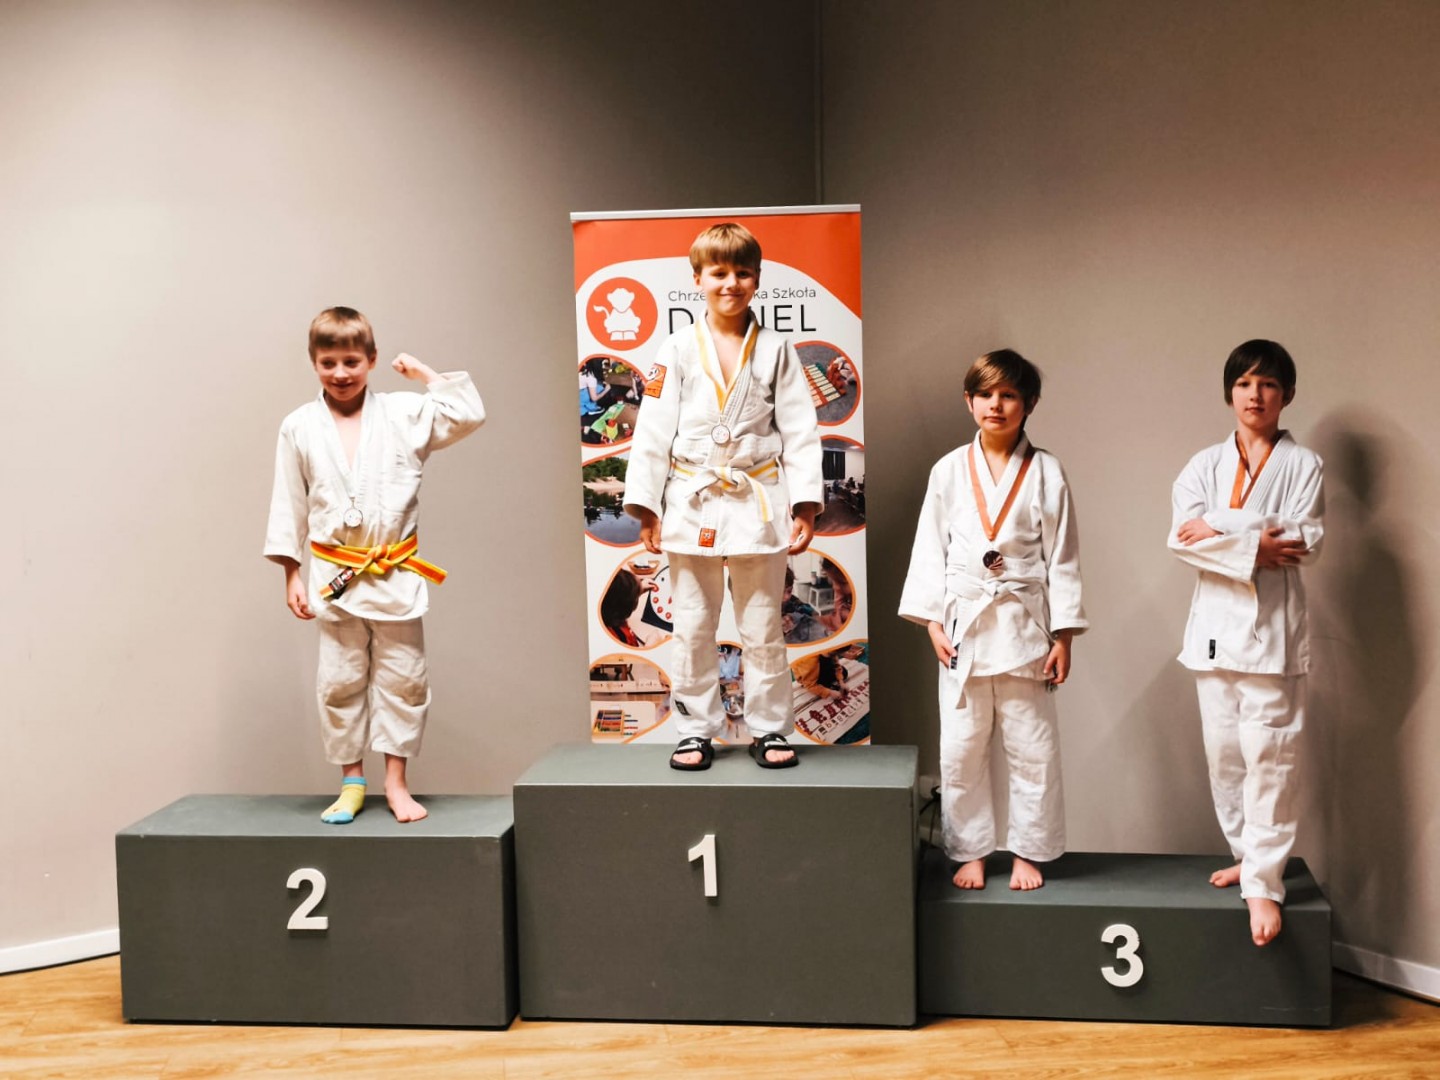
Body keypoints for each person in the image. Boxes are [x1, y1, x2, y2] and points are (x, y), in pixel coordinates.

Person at [264, 306, 484, 824]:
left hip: (395, 572)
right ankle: (352, 782)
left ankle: (396, 783)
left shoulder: (404, 414)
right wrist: (291, 572)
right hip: (334, 576)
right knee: (339, 681)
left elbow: (467, 414)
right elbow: (288, 501)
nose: (340, 373)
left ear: (372, 359)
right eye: (328, 363)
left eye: (351, 362)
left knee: (404, 679)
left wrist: (424, 374)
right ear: (313, 363)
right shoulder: (299, 426)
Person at [624, 222, 823, 770]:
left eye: (742, 272)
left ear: (757, 278)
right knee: (692, 624)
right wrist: (646, 507)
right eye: (719, 273)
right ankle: (695, 729)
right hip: (693, 498)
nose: (731, 283)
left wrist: (805, 504)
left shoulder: (777, 349)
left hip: (757, 497)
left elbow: (801, 430)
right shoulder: (677, 347)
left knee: (762, 625)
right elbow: (653, 431)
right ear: (698, 279)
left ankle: (769, 728)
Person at [899, 349, 1086, 891]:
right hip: (964, 627)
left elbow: (1063, 557)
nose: (996, 405)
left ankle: (1029, 851)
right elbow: (929, 549)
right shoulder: (948, 470)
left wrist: (1064, 636)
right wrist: (933, 624)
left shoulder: (1047, 471)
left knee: (1033, 749)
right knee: (961, 749)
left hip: (1026, 628)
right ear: (969, 401)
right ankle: (971, 850)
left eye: (1009, 395)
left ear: (1030, 403)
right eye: (985, 395)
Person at [1168, 339, 1324, 947]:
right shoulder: (1202, 465)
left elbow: (1305, 540)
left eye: (1267, 384)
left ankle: (1264, 882)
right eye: (1243, 383)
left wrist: (1222, 524)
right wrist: (1256, 544)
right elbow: (1180, 540)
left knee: (1272, 759)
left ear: (1287, 394)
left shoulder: (1303, 464)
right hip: (1213, 634)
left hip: (1272, 637)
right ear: (1229, 392)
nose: (1255, 395)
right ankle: (1246, 856)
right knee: (1225, 757)